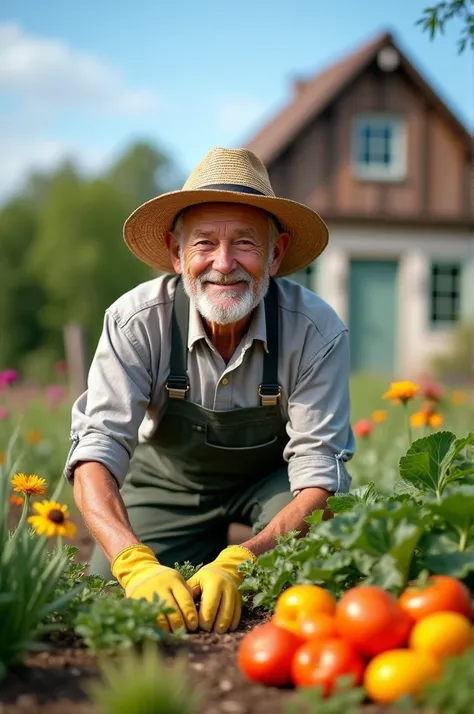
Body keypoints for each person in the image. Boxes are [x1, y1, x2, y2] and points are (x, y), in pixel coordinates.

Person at [65, 146, 355, 636]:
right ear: (178, 254)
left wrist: (246, 558)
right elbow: (95, 452)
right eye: (204, 244)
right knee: (110, 590)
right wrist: (134, 563)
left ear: (275, 253)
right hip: (169, 484)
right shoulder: (136, 320)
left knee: (317, 571)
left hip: (272, 485)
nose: (223, 263)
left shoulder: (316, 331)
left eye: (245, 243)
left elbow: (320, 476)